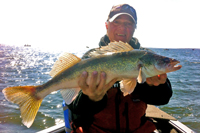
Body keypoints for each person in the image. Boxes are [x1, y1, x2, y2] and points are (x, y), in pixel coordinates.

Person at [67, 4, 172, 133]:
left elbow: (163, 98)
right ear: (107, 25)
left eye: (128, 23)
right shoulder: (91, 58)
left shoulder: (146, 56)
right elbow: (74, 106)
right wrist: (92, 98)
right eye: (116, 22)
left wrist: (155, 86)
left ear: (134, 28)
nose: (122, 28)